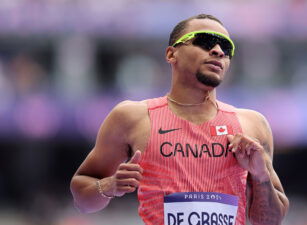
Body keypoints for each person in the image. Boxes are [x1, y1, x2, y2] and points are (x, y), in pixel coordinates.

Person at [70, 14, 289, 225]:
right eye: (205, 41)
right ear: (171, 54)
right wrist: (110, 186)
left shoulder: (252, 125)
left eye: (227, 47)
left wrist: (260, 176)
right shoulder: (132, 118)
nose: (218, 51)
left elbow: (270, 221)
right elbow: (82, 199)